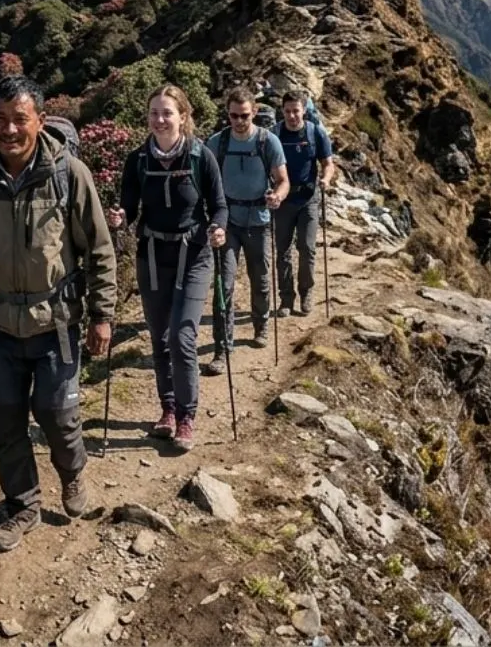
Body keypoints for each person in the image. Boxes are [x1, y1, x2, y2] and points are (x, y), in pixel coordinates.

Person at [0, 75, 117, 554]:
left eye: (19, 119)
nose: (8, 130)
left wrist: (102, 315)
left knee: (57, 413)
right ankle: (23, 506)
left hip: (54, 322)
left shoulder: (68, 174)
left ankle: (72, 473)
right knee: (7, 421)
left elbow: (99, 248)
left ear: (39, 119)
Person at [107, 84, 226, 452]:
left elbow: (218, 204)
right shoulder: (138, 160)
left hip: (194, 254)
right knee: (159, 336)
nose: (160, 120)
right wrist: (119, 217)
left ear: (183, 117)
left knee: (182, 336)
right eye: (154, 113)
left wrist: (218, 228)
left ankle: (187, 416)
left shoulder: (199, 156)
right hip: (152, 254)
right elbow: (128, 205)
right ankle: (168, 409)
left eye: (167, 113)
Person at [204, 87, 288, 364]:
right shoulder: (217, 143)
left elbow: (283, 180)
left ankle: (261, 323)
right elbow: (203, 179)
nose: (239, 121)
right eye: (233, 115)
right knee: (223, 285)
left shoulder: (268, 142)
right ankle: (222, 347)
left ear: (254, 113)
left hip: (259, 221)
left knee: (261, 281)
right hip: (226, 222)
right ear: (227, 114)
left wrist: (277, 195)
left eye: (244, 116)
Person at [274, 89, 335, 316]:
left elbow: (327, 163)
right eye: (288, 111)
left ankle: (306, 292)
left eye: (296, 111)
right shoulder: (275, 134)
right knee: (282, 251)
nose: (292, 116)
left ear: (304, 110)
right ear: (282, 111)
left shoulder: (315, 132)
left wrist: (326, 179)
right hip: (282, 200)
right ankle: (286, 299)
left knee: (307, 248)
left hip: (308, 198)